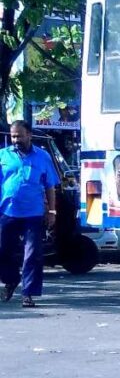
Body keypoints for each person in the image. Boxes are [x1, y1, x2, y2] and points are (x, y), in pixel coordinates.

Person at [0, 120, 60, 308]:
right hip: (7, 211)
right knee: (3, 251)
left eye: (19, 135)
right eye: (13, 136)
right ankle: (10, 280)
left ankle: (28, 294)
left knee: (32, 254)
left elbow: (50, 186)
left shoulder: (42, 157)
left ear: (29, 135)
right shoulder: (3, 155)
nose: (15, 139)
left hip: (33, 214)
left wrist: (51, 211)